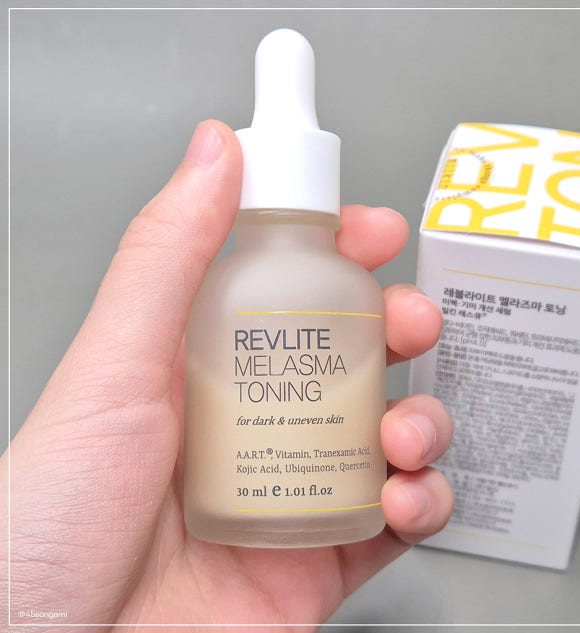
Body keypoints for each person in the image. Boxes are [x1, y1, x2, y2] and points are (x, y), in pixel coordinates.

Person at [2, 120, 454, 628]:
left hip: (325, 513)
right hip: (184, 540)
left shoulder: (342, 288)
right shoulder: (224, 285)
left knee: (405, 424)